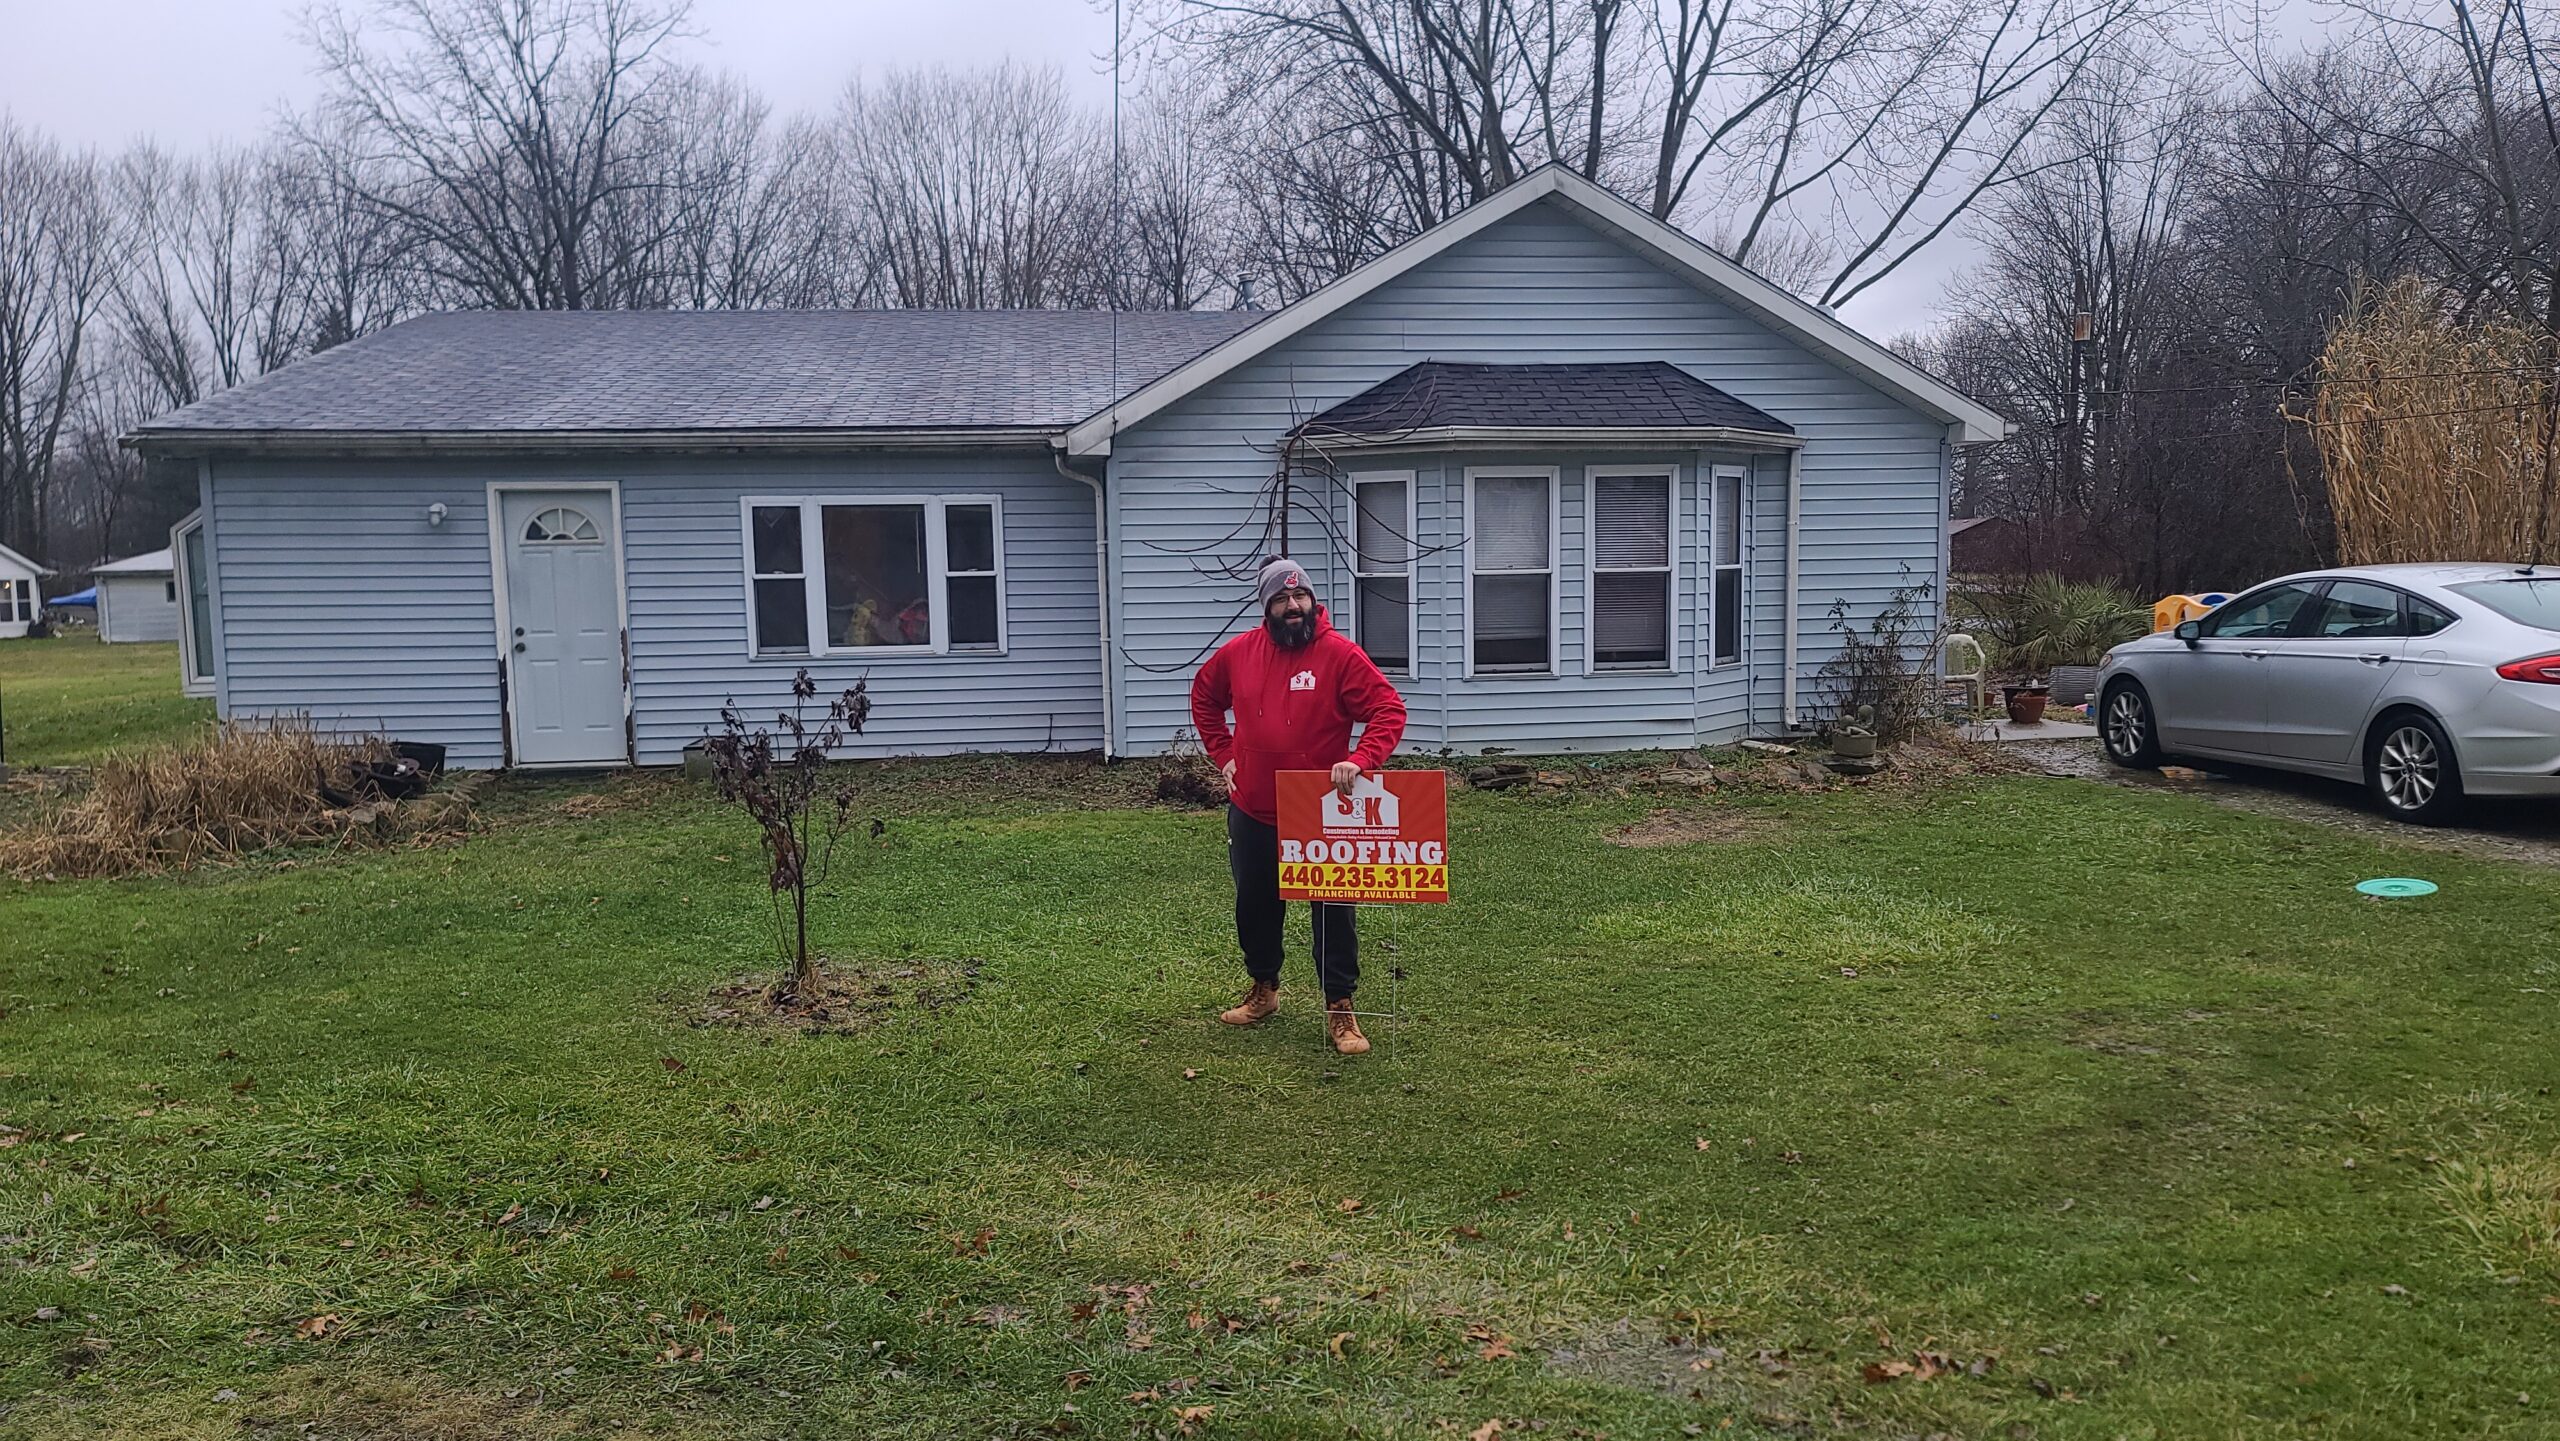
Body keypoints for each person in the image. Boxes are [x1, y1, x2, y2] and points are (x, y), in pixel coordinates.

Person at [1190, 557, 1408, 1055]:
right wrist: (1223, 755)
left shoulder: (1339, 655)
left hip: (1320, 812)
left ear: (1312, 601)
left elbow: (1387, 709)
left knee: (1333, 911)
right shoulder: (1239, 653)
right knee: (1255, 905)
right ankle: (1264, 990)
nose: (1294, 606)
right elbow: (1204, 696)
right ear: (1266, 607)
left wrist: (1361, 759)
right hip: (1253, 807)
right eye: (1282, 599)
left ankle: (1340, 1008)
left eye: (1301, 597)